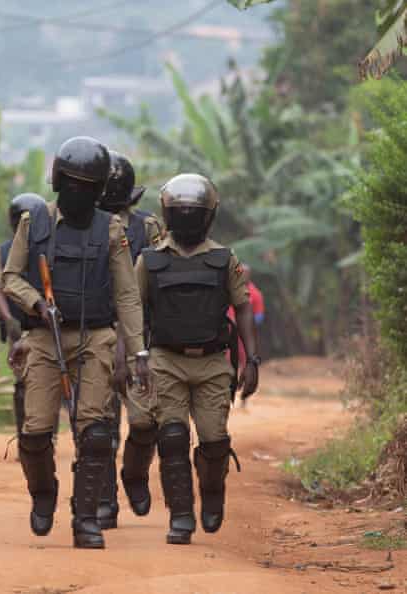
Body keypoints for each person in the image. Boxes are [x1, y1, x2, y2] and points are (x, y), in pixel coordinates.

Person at [2, 136, 151, 549]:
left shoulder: (112, 229)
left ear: (100, 189)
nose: (79, 192)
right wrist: (36, 303)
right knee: (34, 432)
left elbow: (126, 294)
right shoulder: (35, 223)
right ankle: (43, 493)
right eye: (72, 183)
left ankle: (85, 518)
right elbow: (10, 278)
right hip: (44, 338)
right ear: (57, 180)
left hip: (97, 338)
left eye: (89, 185)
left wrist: (138, 351)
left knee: (95, 432)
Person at [134, 173, 259, 545]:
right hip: (165, 360)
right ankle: (181, 515)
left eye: (195, 212)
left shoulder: (224, 259)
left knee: (214, 439)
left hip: (212, 362)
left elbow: (243, 307)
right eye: (182, 211)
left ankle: (213, 491)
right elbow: (132, 310)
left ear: (208, 215)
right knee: (171, 437)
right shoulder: (150, 260)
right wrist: (132, 357)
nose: (188, 217)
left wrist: (252, 359)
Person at [95, 151, 165, 530]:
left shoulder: (147, 228)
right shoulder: (81, 228)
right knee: (99, 427)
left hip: (142, 339)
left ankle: (135, 475)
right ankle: (104, 500)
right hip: (96, 335)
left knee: (144, 422)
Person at [0, 193, 48, 435]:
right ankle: (23, 434)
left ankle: (47, 434)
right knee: (22, 380)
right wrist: (7, 318)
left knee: (46, 379)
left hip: (44, 323)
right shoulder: (2, 252)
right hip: (17, 323)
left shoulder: (47, 246)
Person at [227, 264, 265, 365]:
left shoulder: (255, 293)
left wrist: (244, 323)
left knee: (247, 359)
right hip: (227, 331)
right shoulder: (229, 290)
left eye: (244, 273)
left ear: (249, 275)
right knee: (226, 358)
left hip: (243, 334)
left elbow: (259, 317)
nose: (241, 275)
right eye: (239, 273)